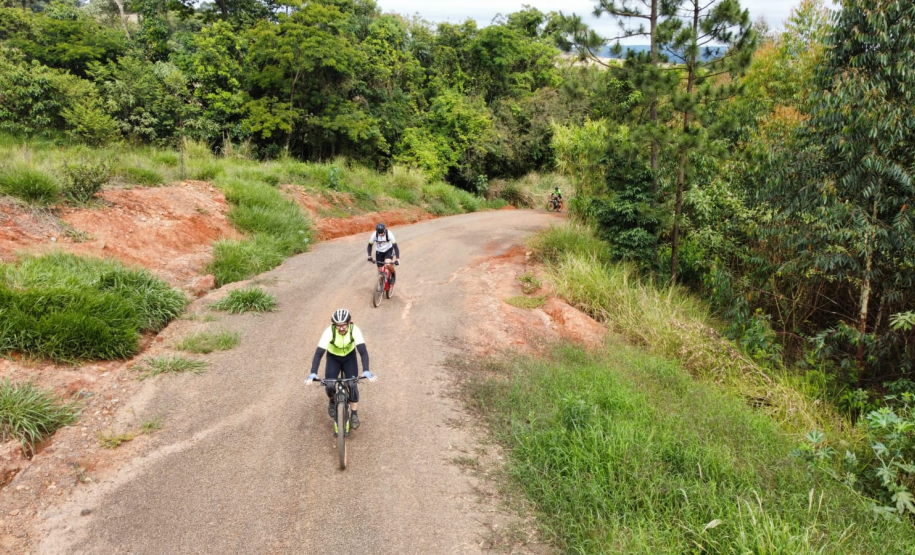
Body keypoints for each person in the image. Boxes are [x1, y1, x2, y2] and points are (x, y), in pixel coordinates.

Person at [306, 309, 376, 432]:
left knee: (352, 384)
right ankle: (332, 401)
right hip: (333, 358)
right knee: (329, 385)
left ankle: (354, 414)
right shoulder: (329, 332)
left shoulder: (355, 330)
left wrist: (366, 370)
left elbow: (363, 352)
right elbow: (318, 354)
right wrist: (313, 372)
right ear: (334, 325)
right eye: (338, 326)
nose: (341, 328)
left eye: (344, 325)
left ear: (349, 323)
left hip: (349, 357)